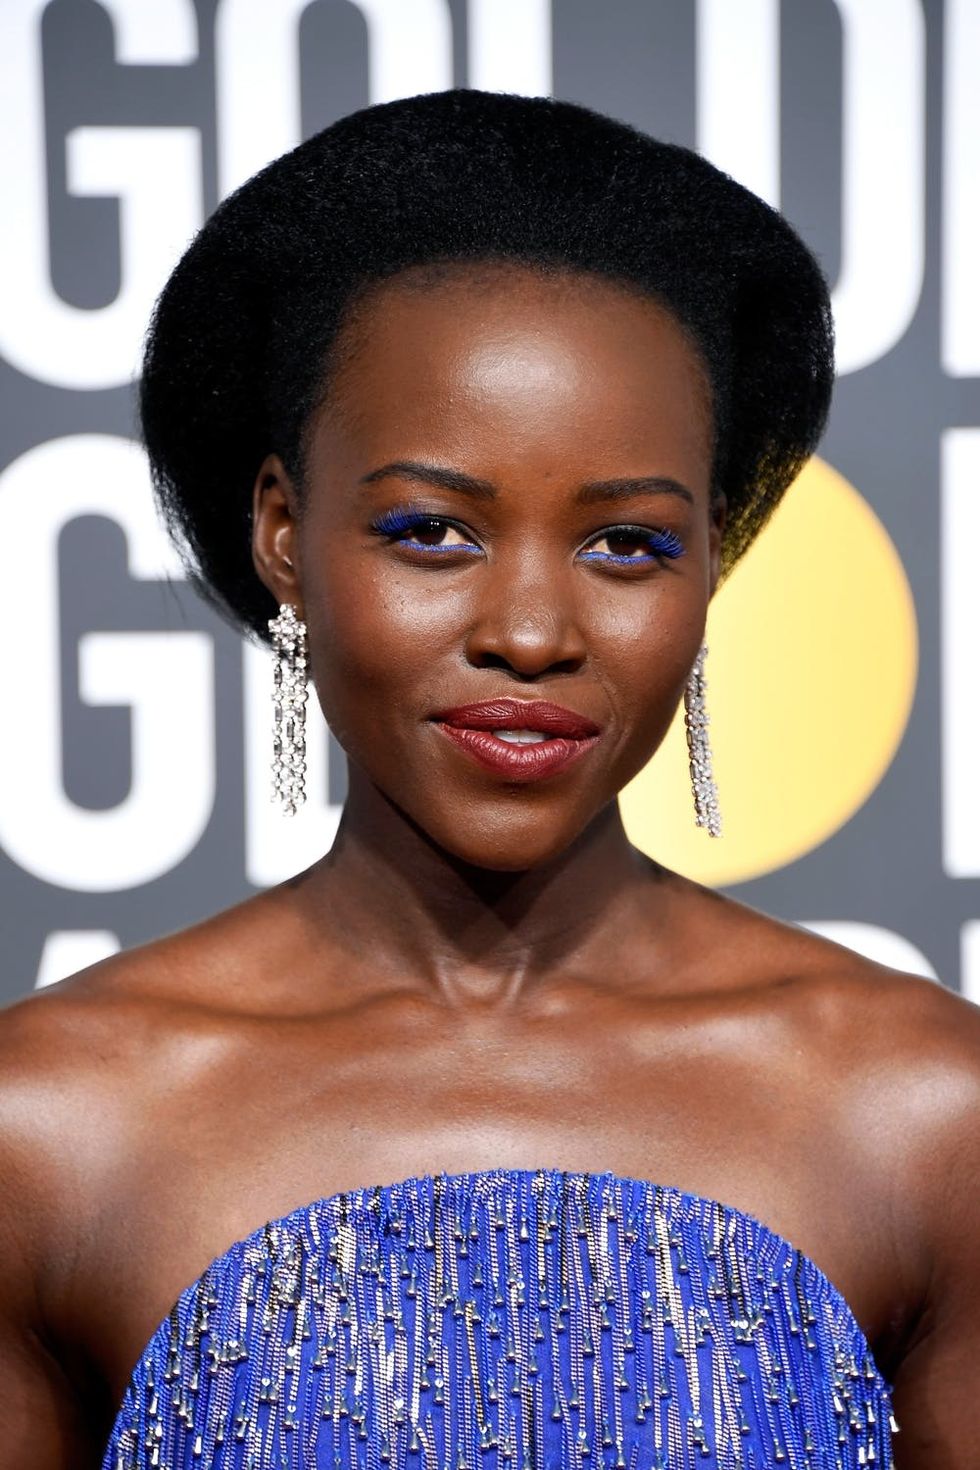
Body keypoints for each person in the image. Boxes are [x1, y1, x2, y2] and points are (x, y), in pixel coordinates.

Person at [0, 87, 976, 1470]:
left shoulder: (927, 1113)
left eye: (628, 545)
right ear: (282, 531)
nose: (531, 631)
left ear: (716, 558)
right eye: (432, 531)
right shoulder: (47, 1126)